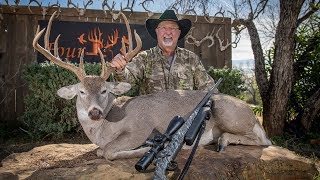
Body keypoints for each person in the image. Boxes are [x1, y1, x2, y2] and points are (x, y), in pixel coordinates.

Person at [110, 9, 215, 95]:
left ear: (179, 33)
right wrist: (120, 70)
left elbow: (208, 88)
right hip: (152, 118)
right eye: (163, 27)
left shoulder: (191, 59)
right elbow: (126, 82)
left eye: (173, 28)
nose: (168, 32)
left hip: (185, 118)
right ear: (157, 31)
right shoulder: (144, 58)